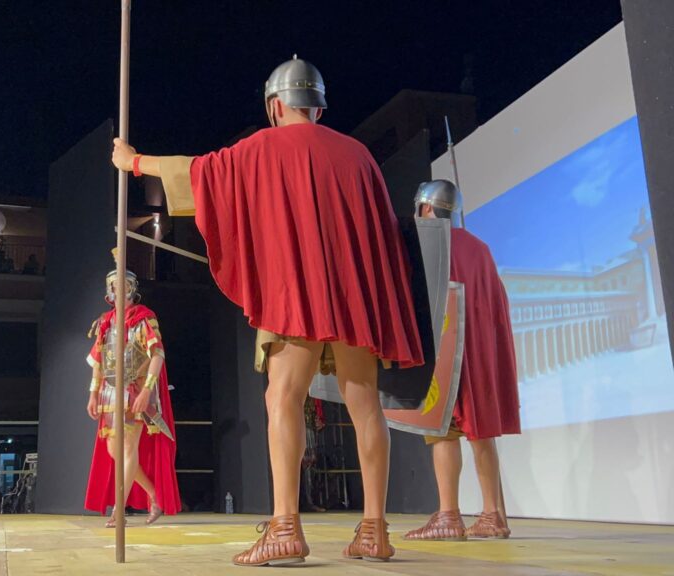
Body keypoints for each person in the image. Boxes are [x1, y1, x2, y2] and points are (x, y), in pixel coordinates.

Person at [111, 56, 424, 565]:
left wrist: (135, 162)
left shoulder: (260, 148)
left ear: (276, 107)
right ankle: (374, 529)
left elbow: (199, 175)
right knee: (365, 402)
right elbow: (382, 236)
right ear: (317, 109)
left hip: (297, 293)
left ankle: (285, 526)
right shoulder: (360, 156)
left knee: (283, 396)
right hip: (354, 297)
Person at [405, 180, 520, 541]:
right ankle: (493, 515)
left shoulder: (426, 242)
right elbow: (496, 303)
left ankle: (449, 515)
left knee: (441, 432)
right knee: (480, 431)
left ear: (425, 209)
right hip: (479, 353)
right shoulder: (481, 248)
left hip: (443, 351)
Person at [84, 257, 180, 526]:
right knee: (116, 451)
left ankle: (119, 508)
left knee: (127, 450)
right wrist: (92, 393)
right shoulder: (106, 322)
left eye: (123, 286)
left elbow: (157, 355)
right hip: (108, 393)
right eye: (114, 287)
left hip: (133, 389)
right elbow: (98, 361)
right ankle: (154, 496)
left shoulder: (144, 318)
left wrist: (147, 392)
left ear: (132, 289)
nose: (119, 292)